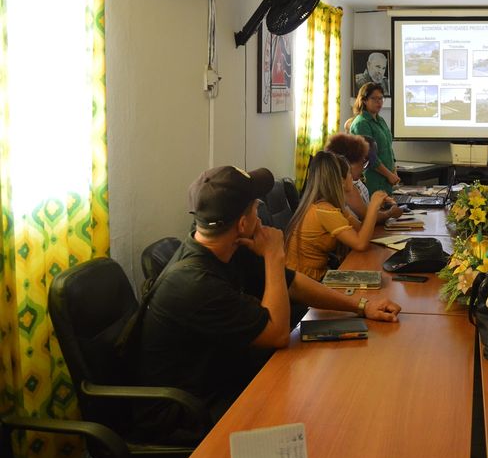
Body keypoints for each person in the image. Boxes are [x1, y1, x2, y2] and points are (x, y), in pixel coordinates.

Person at [136, 166, 401, 439]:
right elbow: (276, 334)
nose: (260, 217)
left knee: (331, 388)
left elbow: (293, 283)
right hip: (188, 411)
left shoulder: (226, 246)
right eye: (256, 208)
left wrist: (362, 305)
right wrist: (274, 255)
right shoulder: (195, 282)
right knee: (324, 421)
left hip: (223, 376)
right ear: (241, 222)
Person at [284, 151, 388, 280]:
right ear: (341, 181)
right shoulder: (324, 210)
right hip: (305, 281)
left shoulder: (331, 206)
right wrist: (373, 207)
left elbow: (361, 230)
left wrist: (373, 208)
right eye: (349, 173)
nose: (355, 178)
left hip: (312, 275)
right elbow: (361, 244)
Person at [324, 132, 403, 223]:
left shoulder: (353, 182)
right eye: (362, 163)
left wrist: (378, 203)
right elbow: (367, 217)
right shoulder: (347, 187)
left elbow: (365, 208)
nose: (363, 168)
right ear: (347, 163)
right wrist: (390, 213)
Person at [349, 82, 399, 194]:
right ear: (364, 100)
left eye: (381, 98)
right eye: (374, 98)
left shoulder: (380, 120)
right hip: (372, 179)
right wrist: (389, 174)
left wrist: (394, 169)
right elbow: (370, 157)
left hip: (387, 179)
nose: (379, 102)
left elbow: (388, 147)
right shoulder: (361, 123)